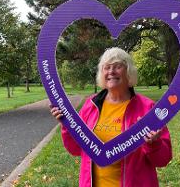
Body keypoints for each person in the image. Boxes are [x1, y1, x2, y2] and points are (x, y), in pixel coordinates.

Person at [50, 47, 172, 187]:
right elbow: (76, 149)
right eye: (106, 67)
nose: (111, 72)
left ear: (129, 72)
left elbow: (163, 160)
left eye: (117, 66)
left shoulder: (148, 108)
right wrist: (67, 126)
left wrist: (154, 143)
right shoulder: (90, 105)